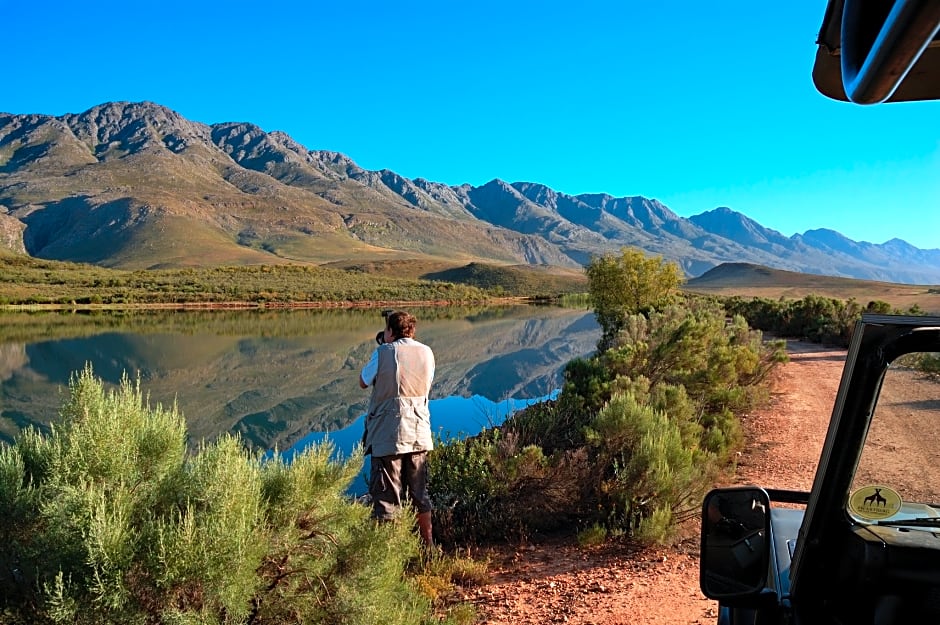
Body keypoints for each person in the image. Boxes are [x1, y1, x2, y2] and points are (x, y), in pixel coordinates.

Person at [358, 310, 435, 546]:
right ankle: (428, 547)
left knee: (386, 498)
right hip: (419, 432)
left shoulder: (383, 352)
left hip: (387, 436)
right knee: (420, 494)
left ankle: (389, 555)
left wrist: (384, 348)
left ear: (390, 331)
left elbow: (363, 381)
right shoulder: (426, 352)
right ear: (412, 330)